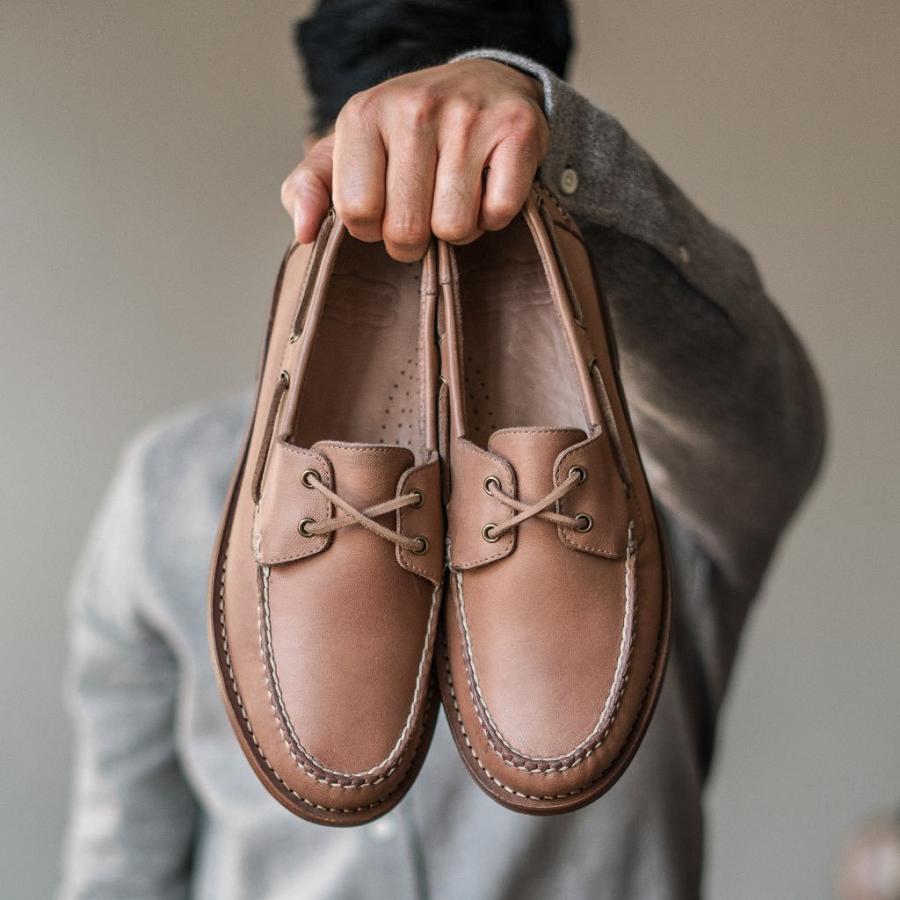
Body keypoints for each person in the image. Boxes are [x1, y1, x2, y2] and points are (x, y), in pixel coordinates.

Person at [59, 2, 825, 898]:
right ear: (316, 173)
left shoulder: (667, 455)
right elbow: (124, 860)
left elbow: (765, 401)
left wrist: (560, 138)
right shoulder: (170, 486)